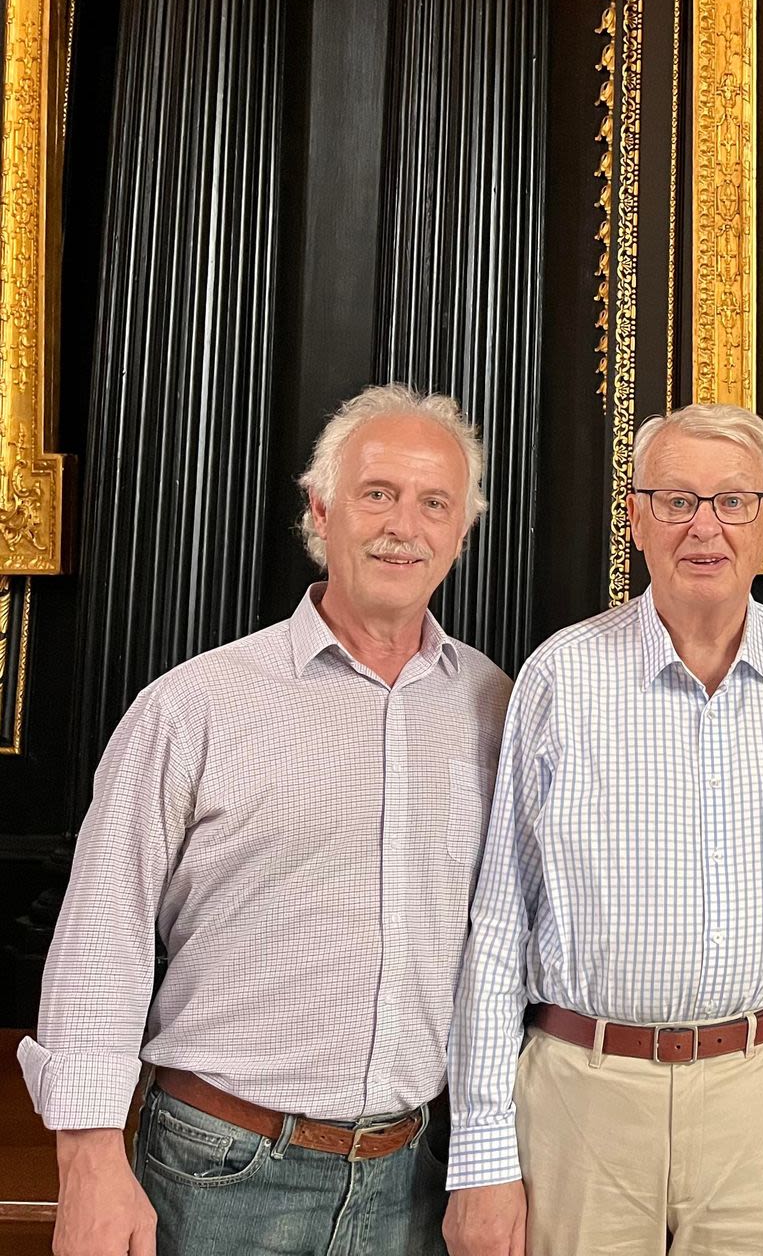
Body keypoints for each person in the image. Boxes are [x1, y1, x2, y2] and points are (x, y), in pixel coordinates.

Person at [20, 384, 511, 1256]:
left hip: (415, 1180)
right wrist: (89, 1157)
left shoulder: (495, 706)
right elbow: (104, 934)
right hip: (220, 1175)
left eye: (435, 502)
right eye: (377, 493)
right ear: (321, 509)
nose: (405, 524)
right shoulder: (195, 707)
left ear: (461, 533)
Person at [443, 402, 763, 1256]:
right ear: (636, 518)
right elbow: (499, 922)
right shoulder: (561, 674)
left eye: (733, 501)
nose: (705, 526)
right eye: (677, 501)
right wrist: (480, 1152)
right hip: (583, 1098)